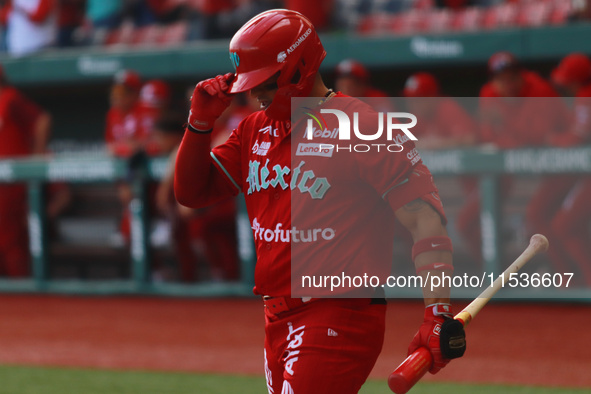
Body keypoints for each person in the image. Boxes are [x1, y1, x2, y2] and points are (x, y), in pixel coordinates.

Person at [175, 9, 465, 393]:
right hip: (276, 313)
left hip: (338, 310)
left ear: (298, 67)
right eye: (249, 85)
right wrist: (199, 124)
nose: (254, 95)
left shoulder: (361, 125)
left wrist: (437, 311)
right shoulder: (254, 129)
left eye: (264, 83)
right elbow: (193, 193)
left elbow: (423, 217)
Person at [479, 52, 572, 269]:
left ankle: (568, 275)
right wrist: (510, 135)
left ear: (521, 75)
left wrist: (505, 127)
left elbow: (540, 137)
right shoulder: (488, 93)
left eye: (512, 77)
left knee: (541, 216)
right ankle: (561, 271)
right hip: (540, 165)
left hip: (567, 162)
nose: (507, 84)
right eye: (501, 78)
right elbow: (488, 136)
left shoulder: (539, 90)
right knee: (537, 218)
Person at [403, 72, 480, 263]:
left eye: (419, 100)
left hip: (486, 180)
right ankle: (490, 271)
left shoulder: (447, 108)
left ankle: (497, 274)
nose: (414, 105)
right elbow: (405, 141)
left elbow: (470, 139)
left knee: (465, 224)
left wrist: (436, 144)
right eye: (412, 101)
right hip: (469, 183)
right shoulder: (420, 116)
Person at [0, 64, 51, 277]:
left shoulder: (10, 97)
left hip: (13, 178)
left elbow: (42, 120)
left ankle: (22, 290)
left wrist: (36, 159)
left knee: (10, 238)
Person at [549, 53, 591, 285]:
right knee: (568, 225)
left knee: (563, 225)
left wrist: (552, 139)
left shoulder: (586, 95)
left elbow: (578, 136)